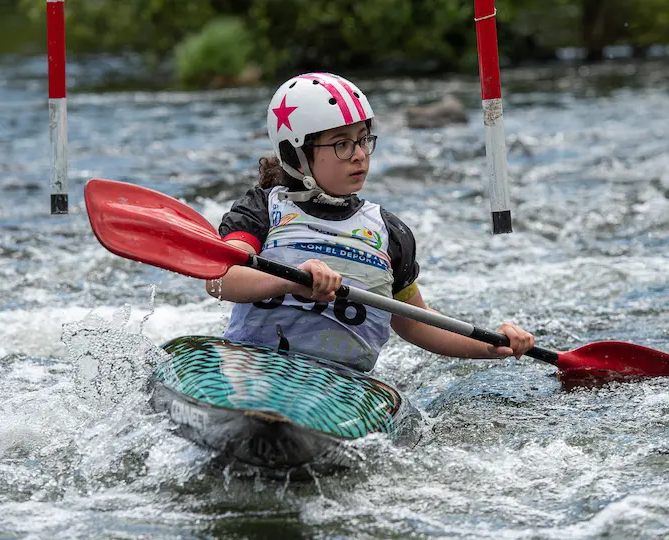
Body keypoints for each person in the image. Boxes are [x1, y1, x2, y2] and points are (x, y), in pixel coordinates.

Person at [205, 72, 533, 372]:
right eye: (341, 144)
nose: (359, 154)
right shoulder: (262, 207)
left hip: (345, 387)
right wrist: (290, 282)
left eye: (363, 139)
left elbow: (416, 323)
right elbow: (222, 279)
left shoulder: (389, 233)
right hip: (252, 366)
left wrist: (489, 345)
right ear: (298, 155)